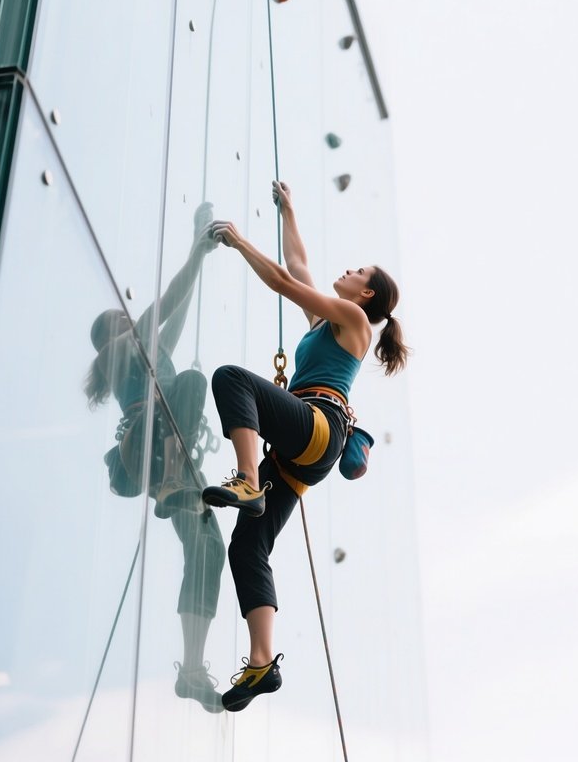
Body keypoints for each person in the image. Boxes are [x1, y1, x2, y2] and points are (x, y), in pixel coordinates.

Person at [201, 180, 409, 712]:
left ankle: (247, 479)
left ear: (366, 295)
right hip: (304, 454)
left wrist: (241, 242)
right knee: (247, 547)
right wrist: (289, 212)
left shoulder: (356, 321)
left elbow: (280, 282)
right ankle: (261, 662)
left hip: (319, 426)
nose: (349, 271)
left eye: (358, 272)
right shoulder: (328, 322)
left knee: (233, 379)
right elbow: (298, 268)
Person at [84, 204, 228, 712]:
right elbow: (167, 301)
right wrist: (195, 246)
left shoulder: (149, 351)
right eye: (123, 320)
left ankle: (192, 668)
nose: (131, 320)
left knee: (210, 548)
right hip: (151, 445)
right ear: (115, 332)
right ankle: (172, 486)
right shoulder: (123, 348)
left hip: (173, 453)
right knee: (190, 382)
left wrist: (200, 252)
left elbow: (180, 303)